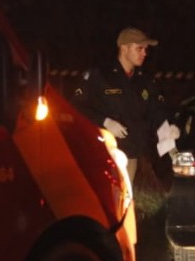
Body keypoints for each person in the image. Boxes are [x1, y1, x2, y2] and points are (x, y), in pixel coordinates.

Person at [72, 27, 178, 182]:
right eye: (139, 48)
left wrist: (170, 127)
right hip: (101, 153)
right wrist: (105, 122)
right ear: (124, 48)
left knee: (126, 195)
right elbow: (77, 106)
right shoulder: (100, 76)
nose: (144, 53)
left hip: (131, 154)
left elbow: (156, 110)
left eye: (145, 49)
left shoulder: (144, 80)